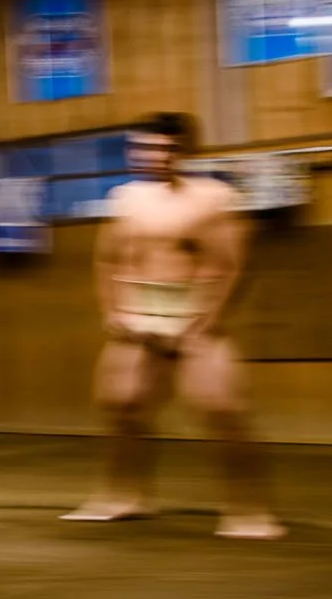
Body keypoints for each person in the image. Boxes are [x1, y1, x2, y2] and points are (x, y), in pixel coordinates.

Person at [61, 113, 283, 539]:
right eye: (145, 147)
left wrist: (210, 319)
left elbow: (233, 264)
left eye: (165, 148)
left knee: (223, 409)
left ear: (185, 152)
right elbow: (107, 258)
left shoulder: (212, 197)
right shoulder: (124, 198)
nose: (155, 156)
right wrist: (111, 310)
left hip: (194, 314)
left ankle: (249, 510)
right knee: (120, 406)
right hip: (137, 314)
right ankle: (124, 495)